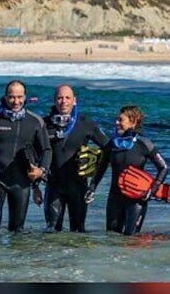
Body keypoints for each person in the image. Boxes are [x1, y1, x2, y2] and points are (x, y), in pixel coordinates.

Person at [0, 80, 52, 238]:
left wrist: (41, 172)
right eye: (12, 97)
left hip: (21, 182)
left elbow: (46, 150)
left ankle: (14, 263)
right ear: (5, 97)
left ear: (25, 97)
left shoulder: (35, 121)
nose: (16, 101)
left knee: (17, 230)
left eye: (20, 97)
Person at [86, 105, 168, 236]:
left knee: (132, 239)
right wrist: (92, 188)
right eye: (117, 120)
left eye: (120, 120)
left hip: (137, 200)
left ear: (133, 122)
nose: (116, 123)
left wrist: (152, 190)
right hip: (114, 198)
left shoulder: (144, 144)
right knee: (112, 237)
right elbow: (101, 167)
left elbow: (163, 167)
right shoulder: (111, 144)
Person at [41, 84, 108, 232]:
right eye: (59, 98)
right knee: (51, 230)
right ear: (54, 101)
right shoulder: (44, 124)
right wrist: (35, 181)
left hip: (78, 186)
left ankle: (77, 256)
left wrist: (94, 164)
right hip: (54, 185)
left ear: (74, 100)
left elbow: (108, 147)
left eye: (67, 98)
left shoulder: (85, 123)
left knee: (78, 231)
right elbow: (31, 150)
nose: (63, 101)